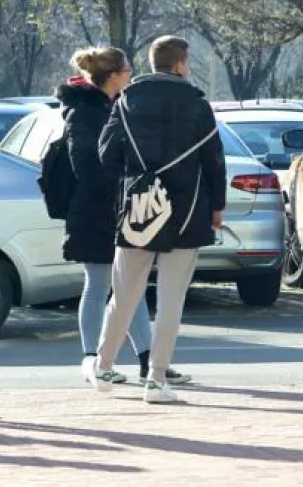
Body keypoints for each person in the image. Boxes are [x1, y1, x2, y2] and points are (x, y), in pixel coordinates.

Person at [84, 36, 226, 404]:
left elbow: (106, 155)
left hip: (138, 210)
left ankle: (103, 365)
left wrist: (134, 179)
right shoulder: (197, 104)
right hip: (187, 210)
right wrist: (217, 205)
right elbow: (213, 160)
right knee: (171, 299)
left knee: (124, 294)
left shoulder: (127, 100)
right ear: (181, 63)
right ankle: (157, 378)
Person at [61, 47, 192, 387]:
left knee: (126, 287)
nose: (132, 75)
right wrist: (122, 184)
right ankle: (94, 359)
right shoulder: (84, 111)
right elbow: (87, 166)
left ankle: (148, 360)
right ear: (115, 74)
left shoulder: (113, 106)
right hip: (93, 212)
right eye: (128, 69)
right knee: (100, 284)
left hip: (118, 210)